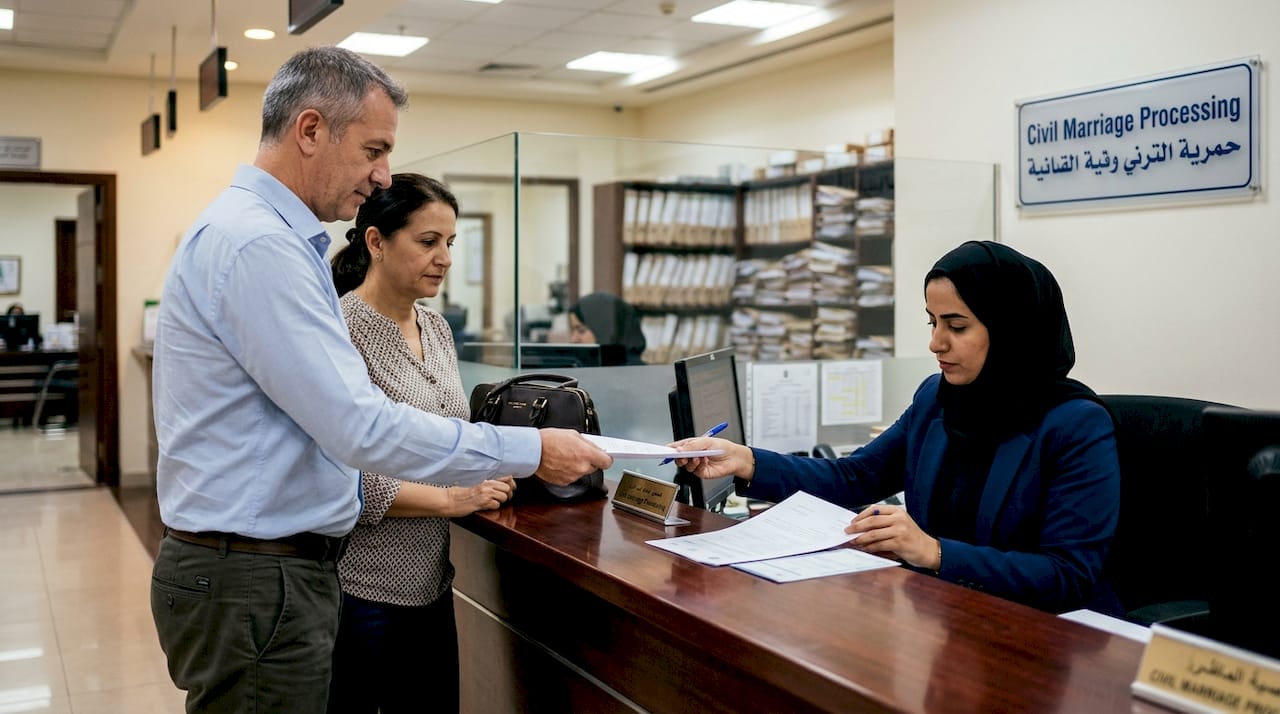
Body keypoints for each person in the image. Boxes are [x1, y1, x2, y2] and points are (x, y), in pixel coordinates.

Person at [148, 47, 611, 714]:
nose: (382, 174)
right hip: (255, 576)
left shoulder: (267, 238)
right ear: (310, 130)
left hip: (266, 571)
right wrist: (532, 449)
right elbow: (360, 426)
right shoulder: (259, 246)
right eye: (374, 149)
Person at [674, 241, 1121, 614]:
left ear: (1010, 331)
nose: (935, 342)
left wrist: (934, 553)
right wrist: (745, 461)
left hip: (1042, 642)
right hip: (948, 620)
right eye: (932, 321)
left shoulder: (1075, 425)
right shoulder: (938, 399)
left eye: (956, 326)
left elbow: (1069, 575)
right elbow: (856, 477)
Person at [325, 173, 507, 713]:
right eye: (428, 242)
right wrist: (451, 500)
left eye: (450, 243)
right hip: (361, 593)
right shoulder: (340, 329)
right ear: (376, 242)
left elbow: (447, 433)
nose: (444, 258)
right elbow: (345, 472)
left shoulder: (436, 328)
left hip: (431, 583)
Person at [567, 291, 646, 365]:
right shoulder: (581, 368)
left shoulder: (637, 375)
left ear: (606, 331)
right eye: (572, 331)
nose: (573, 339)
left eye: (581, 331)